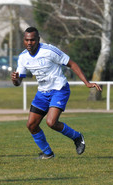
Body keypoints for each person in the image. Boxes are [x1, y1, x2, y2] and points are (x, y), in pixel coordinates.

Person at [11, 26, 102, 159]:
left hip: (59, 89)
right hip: (42, 93)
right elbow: (19, 82)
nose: (29, 43)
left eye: (32, 40)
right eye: (26, 40)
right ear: (24, 41)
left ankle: (77, 137)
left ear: (38, 39)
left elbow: (72, 64)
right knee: (31, 125)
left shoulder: (49, 50)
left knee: (51, 122)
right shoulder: (23, 57)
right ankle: (48, 154)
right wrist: (15, 80)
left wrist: (87, 83)